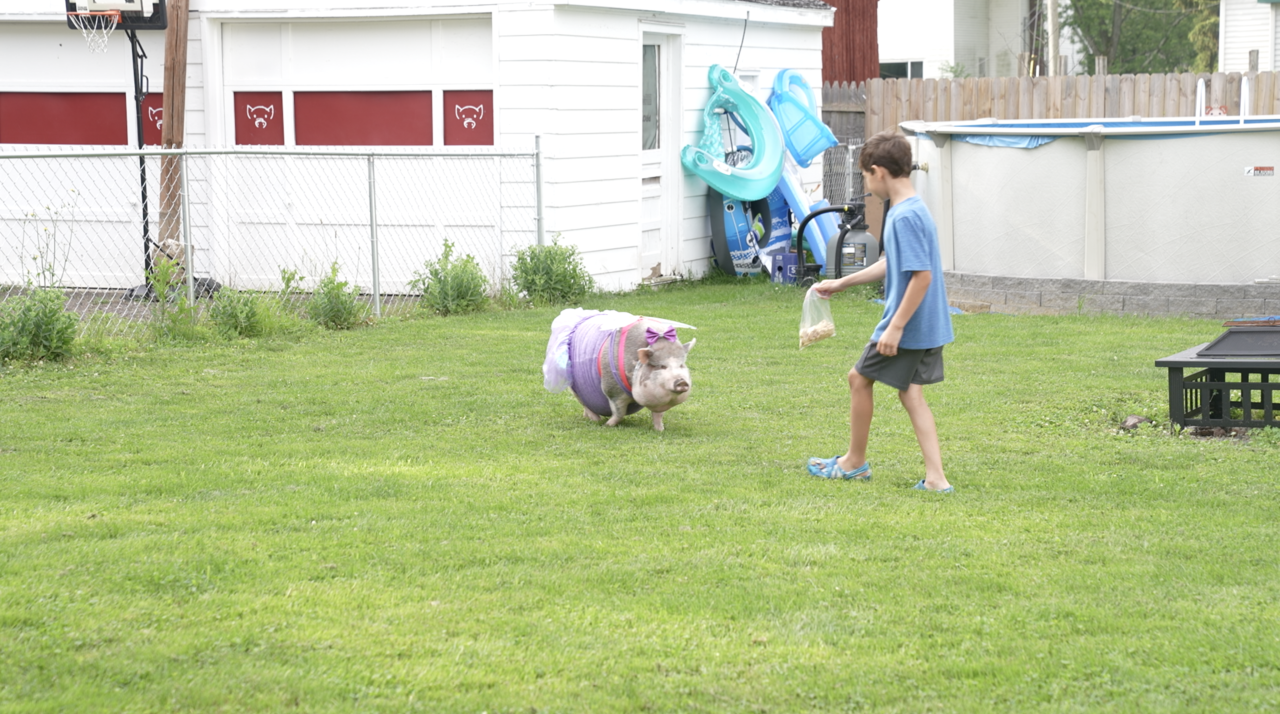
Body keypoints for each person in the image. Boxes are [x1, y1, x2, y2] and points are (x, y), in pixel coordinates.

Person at [806, 130, 955, 492]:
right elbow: (894, 262)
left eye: (864, 175)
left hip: (910, 324)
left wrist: (896, 327)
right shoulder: (914, 208)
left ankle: (854, 463)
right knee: (911, 393)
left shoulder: (903, 217)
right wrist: (842, 283)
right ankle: (936, 479)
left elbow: (921, 276)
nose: (866, 182)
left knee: (858, 379)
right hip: (930, 323)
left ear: (878, 172)